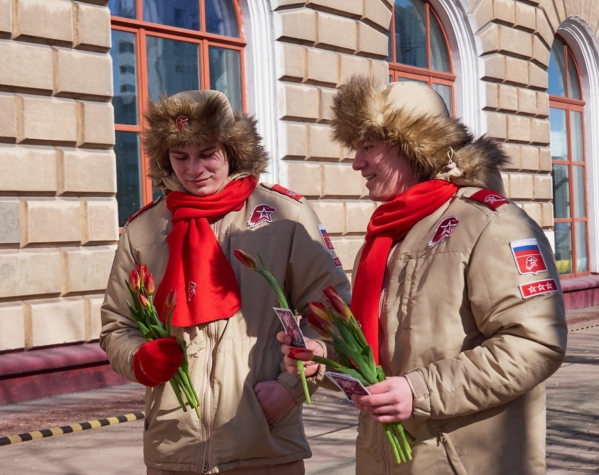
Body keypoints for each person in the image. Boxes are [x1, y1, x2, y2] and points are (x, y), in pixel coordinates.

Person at [280, 76, 567, 474]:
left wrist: (419, 391)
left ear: (414, 146)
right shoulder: (386, 235)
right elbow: (379, 355)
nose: (356, 163)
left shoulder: (492, 223)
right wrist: (324, 359)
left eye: (369, 147)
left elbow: (536, 344)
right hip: (384, 458)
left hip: (464, 462)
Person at [100, 90, 350, 475]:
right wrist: (139, 359)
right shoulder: (144, 228)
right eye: (180, 157)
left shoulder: (283, 216)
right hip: (174, 447)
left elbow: (333, 316)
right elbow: (119, 325)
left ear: (231, 151)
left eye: (206, 154)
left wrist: (289, 389)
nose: (193, 169)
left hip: (263, 444)